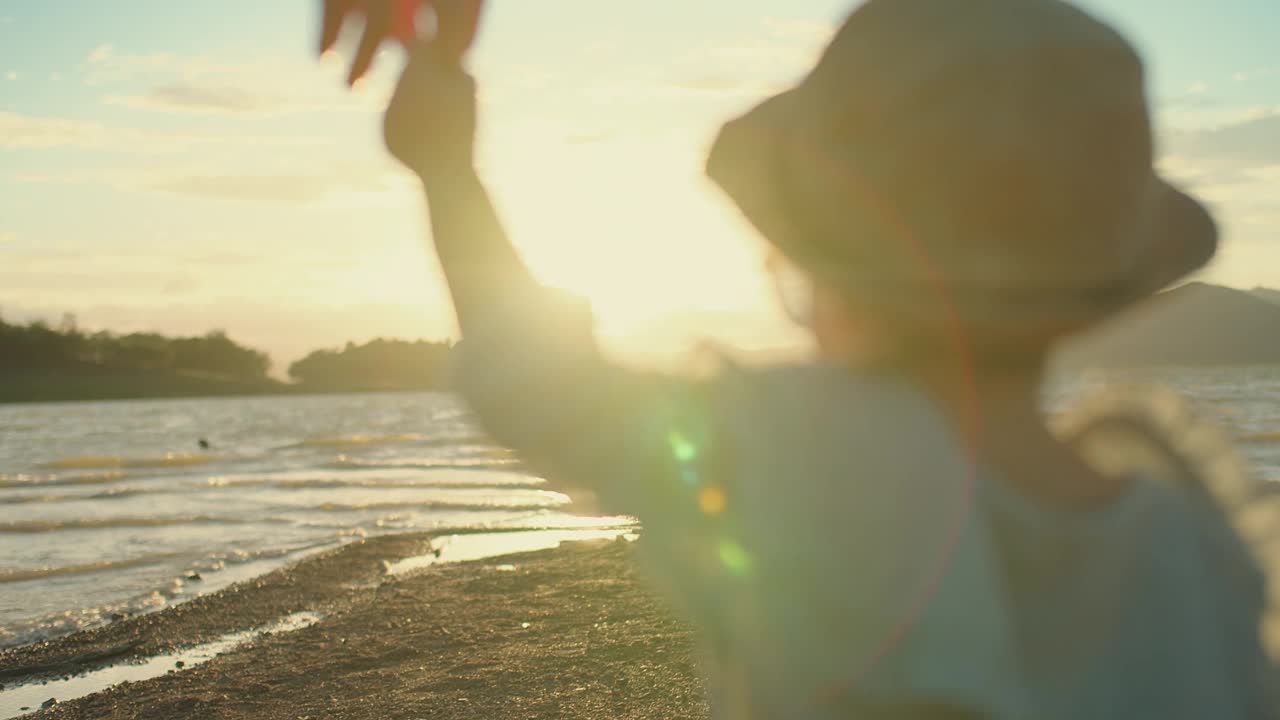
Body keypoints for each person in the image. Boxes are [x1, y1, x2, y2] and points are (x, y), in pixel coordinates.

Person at [357, 0, 1277, 716]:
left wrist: (447, 167)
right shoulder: (1192, 544)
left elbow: (540, 386)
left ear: (823, 256)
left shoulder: (818, 456)